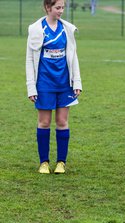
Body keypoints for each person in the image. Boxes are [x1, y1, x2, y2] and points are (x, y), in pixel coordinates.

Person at [26, 0, 82, 174]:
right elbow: (29, 60)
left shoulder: (67, 29)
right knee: (44, 123)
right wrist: (31, 87)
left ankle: (61, 163)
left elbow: (74, 57)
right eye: (58, 7)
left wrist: (77, 82)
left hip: (64, 83)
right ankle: (44, 162)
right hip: (44, 84)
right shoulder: (36, 29)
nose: (61, 11)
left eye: (63, 7)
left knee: (62, 122)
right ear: (47, 8)